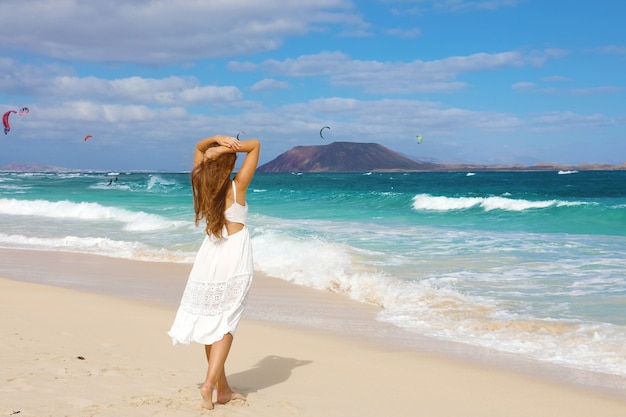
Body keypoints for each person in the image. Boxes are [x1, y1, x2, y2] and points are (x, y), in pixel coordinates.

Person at [168, 134, 260, 409]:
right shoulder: (237, 187)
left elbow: (198, 147)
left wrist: (214, 143)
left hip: (209, 255)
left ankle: (223, 389)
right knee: (226, 323)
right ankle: (209, 385)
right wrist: (229, 146)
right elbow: (255, 144)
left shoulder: (201, 183)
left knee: (211, 321)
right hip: (234, 257)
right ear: (230, 162)